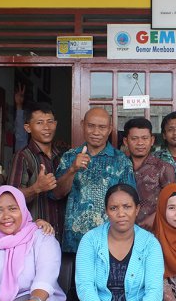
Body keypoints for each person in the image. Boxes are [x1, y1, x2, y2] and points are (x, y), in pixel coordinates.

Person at [75, 183, 164, 301]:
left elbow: (154, 290)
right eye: (114, 208)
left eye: (127, 207)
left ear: (137, 209)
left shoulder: (150, 244)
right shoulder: (90, 240)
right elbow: (84, 286)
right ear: (106, 211)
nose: (121, 213)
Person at [53, 107, 136, 255]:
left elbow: (130, 203)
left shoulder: (122, 161)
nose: (96, 132)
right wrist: (72, 170)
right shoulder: (69, 157)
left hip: (110, 241)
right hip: (75, 242)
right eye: (91, 126)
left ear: (110, 129)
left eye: (102, 127)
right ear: (82, 125)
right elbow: (56, 194)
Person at [8, 102, 64, 237]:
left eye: (50, 122)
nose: (46, 127)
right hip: (35, 235)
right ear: (28, 128)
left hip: (62, 233)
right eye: (39, 123)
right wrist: (36, 188)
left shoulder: (62, 156)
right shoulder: (23, 157)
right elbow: (11, 198)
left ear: (55, 124)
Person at [123, 117, 176, 230]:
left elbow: (173, 201)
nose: (140, 143)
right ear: (126, 141)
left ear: (152, 140)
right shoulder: (119, 167)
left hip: (155, 230)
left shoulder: (164, 168)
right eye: (134, 139)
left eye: (145, 138)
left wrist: (155, 217)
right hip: (123, 230)